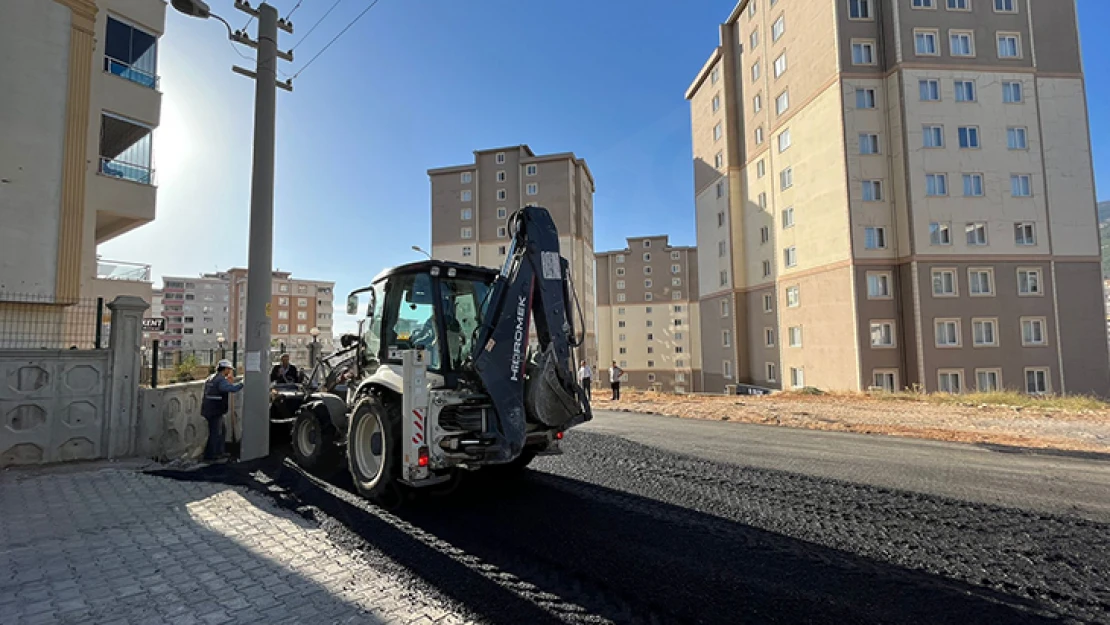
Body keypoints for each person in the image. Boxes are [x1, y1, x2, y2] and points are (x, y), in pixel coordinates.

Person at [201, 360, 244, 461]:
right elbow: (232, 389)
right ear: (224, 369)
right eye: (229, 369)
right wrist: (243, 383)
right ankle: (211, 456)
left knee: (221, 431)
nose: (229, 372)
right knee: (215, 433)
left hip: (209, 409)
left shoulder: (211, 378)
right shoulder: (220, 380)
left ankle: (219, 452)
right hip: (215, 410)